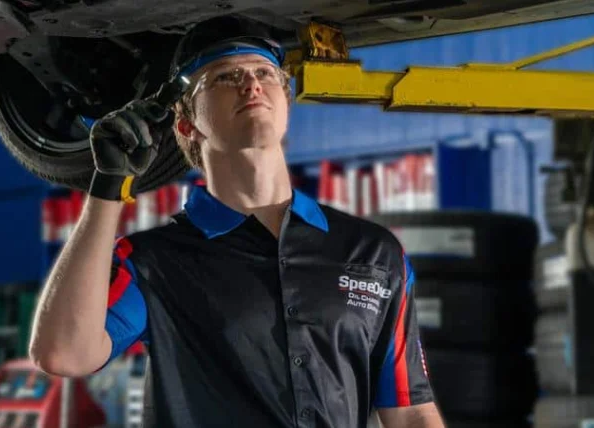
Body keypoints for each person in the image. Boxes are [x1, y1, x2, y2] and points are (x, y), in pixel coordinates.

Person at [28, 15, 444, 428]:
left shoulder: (373, 254)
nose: (251, 83)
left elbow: (410, 415)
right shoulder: (156, 263)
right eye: (225, 77)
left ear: (285, 103)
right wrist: (108, 184)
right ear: (186, 123)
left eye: (265, 72)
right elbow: (64, 353)